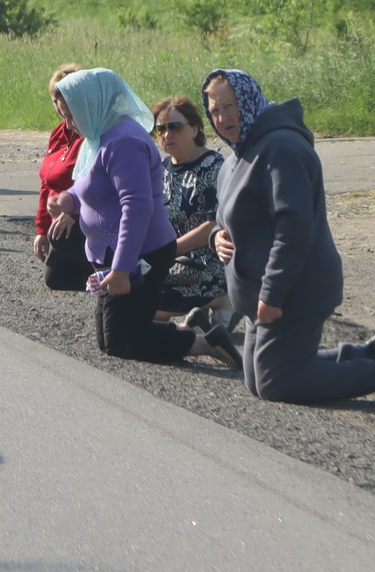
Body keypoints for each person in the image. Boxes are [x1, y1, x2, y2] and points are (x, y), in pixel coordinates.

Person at [204, 68, 375, 408]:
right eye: (214, 111)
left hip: (294, 289)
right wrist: (216, 236)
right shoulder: (236, 158)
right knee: (257, 379)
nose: (223, 118)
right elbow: (223, 216)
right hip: (261, 294)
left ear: (249, 101)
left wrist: (273, 293)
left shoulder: (281, 149)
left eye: (230, 106)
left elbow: (294, 227)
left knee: (275, 382)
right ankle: (366, 353)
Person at [49, 68, 240, 369]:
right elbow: (90, 185)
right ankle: (195, 331)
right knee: (110, 340)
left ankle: (205, 342)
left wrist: (122, 269)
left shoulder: (124, 143)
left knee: (121, 341)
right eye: (65, 117)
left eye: (72, 116)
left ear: (91, 103)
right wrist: (68, 199)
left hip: (142, 254)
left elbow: (136, 208)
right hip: (114, 254)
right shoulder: (97, 137)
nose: (69, 125)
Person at [148, 95, 230, 329]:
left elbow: (213, 225)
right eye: (160, 129)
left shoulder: (214, 167)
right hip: (173, 261)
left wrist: (167, 252)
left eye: (175, 127)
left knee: (151, 305)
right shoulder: (162, 169)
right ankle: (193, 328)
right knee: (135, 291)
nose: (167, 134)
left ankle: (221, 298)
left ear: (194, 129)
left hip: (210, 263)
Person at [33, 63, 91, 292]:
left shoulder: (89, 135)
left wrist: (75, 214)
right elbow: (46, 183)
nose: (58, 108)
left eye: (63, 103)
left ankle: (112, 277)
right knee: (55, 278)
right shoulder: (59, 133)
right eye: (54, 101)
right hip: (58, 221)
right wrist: (41, 228)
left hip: (82, 221)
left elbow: (93, 185)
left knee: (61, 239)